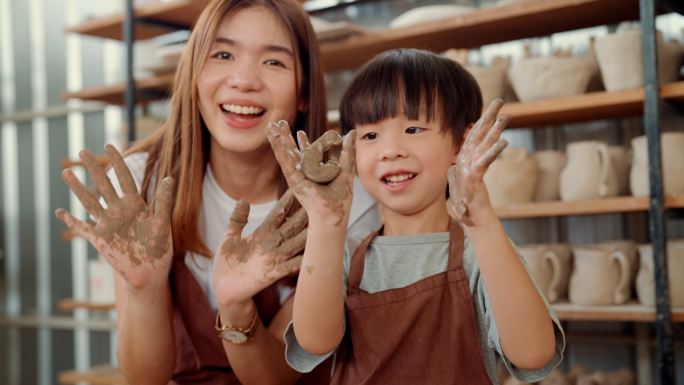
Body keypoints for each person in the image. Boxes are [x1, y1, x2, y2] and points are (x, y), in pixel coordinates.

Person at [54, 1, 379, 384]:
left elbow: (275, 377)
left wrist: (236, 305)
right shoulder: (145, 181)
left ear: (304, 91)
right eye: (223, 54)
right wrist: (145, 288)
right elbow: (145, 378)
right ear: (194, 74)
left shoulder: (344, 199)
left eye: (274, 62)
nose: (243, 80)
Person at [269, 48, 565, 384]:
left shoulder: (482, 252)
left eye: (413, 129)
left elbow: (533, 353)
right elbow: (314, 341)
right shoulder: (345, 254)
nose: (390, 149)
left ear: (461, 144)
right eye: (370, 135)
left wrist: (482, 223)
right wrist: (325, 224)